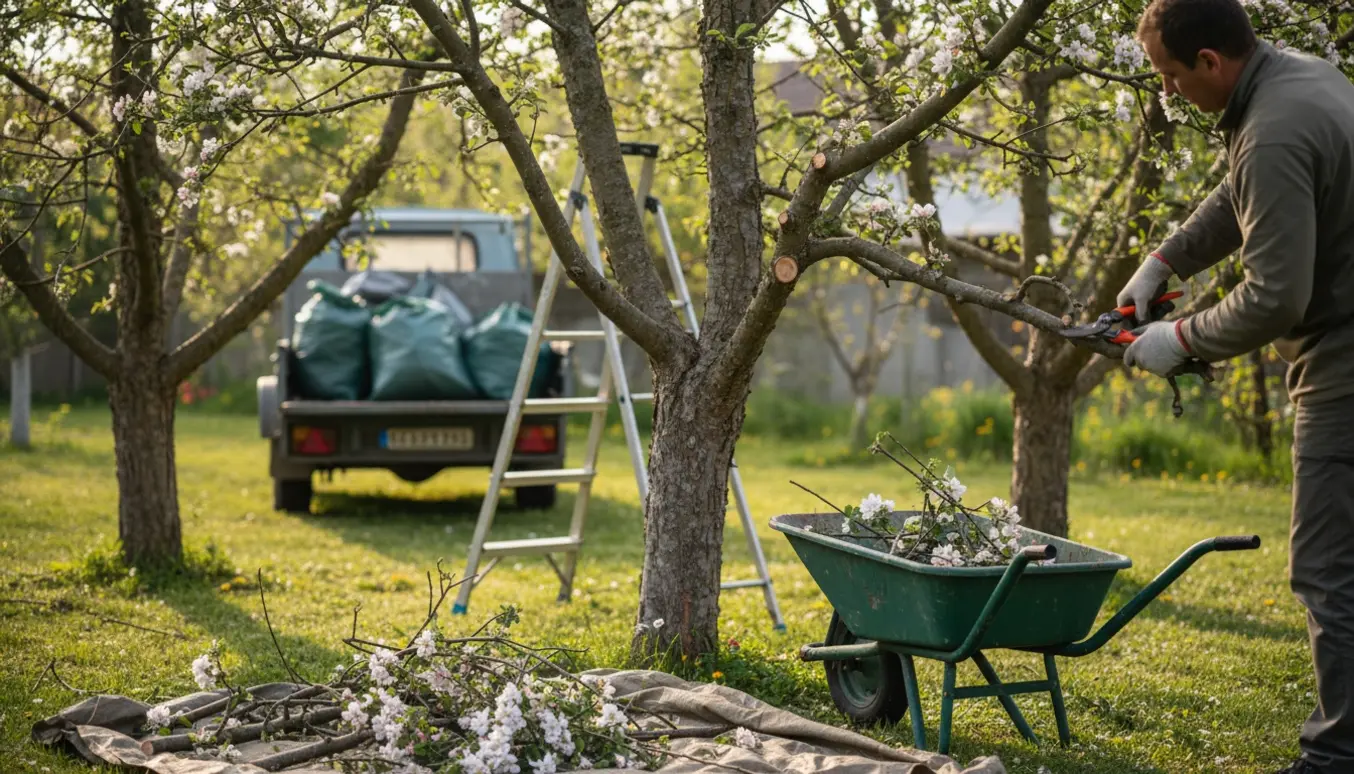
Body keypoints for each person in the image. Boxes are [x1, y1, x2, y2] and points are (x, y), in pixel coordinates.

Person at [1120, 2, 1354, 772]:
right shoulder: (1298, 79)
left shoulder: (1274, 128)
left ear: (1211, 62)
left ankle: (1334, 759)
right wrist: (1167, 260)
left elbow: (1275, 298)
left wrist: (1174, 339)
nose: (1168, 91)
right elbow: (1240, 195)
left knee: (1326, 570)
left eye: (1170, 76)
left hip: (1343, 363)